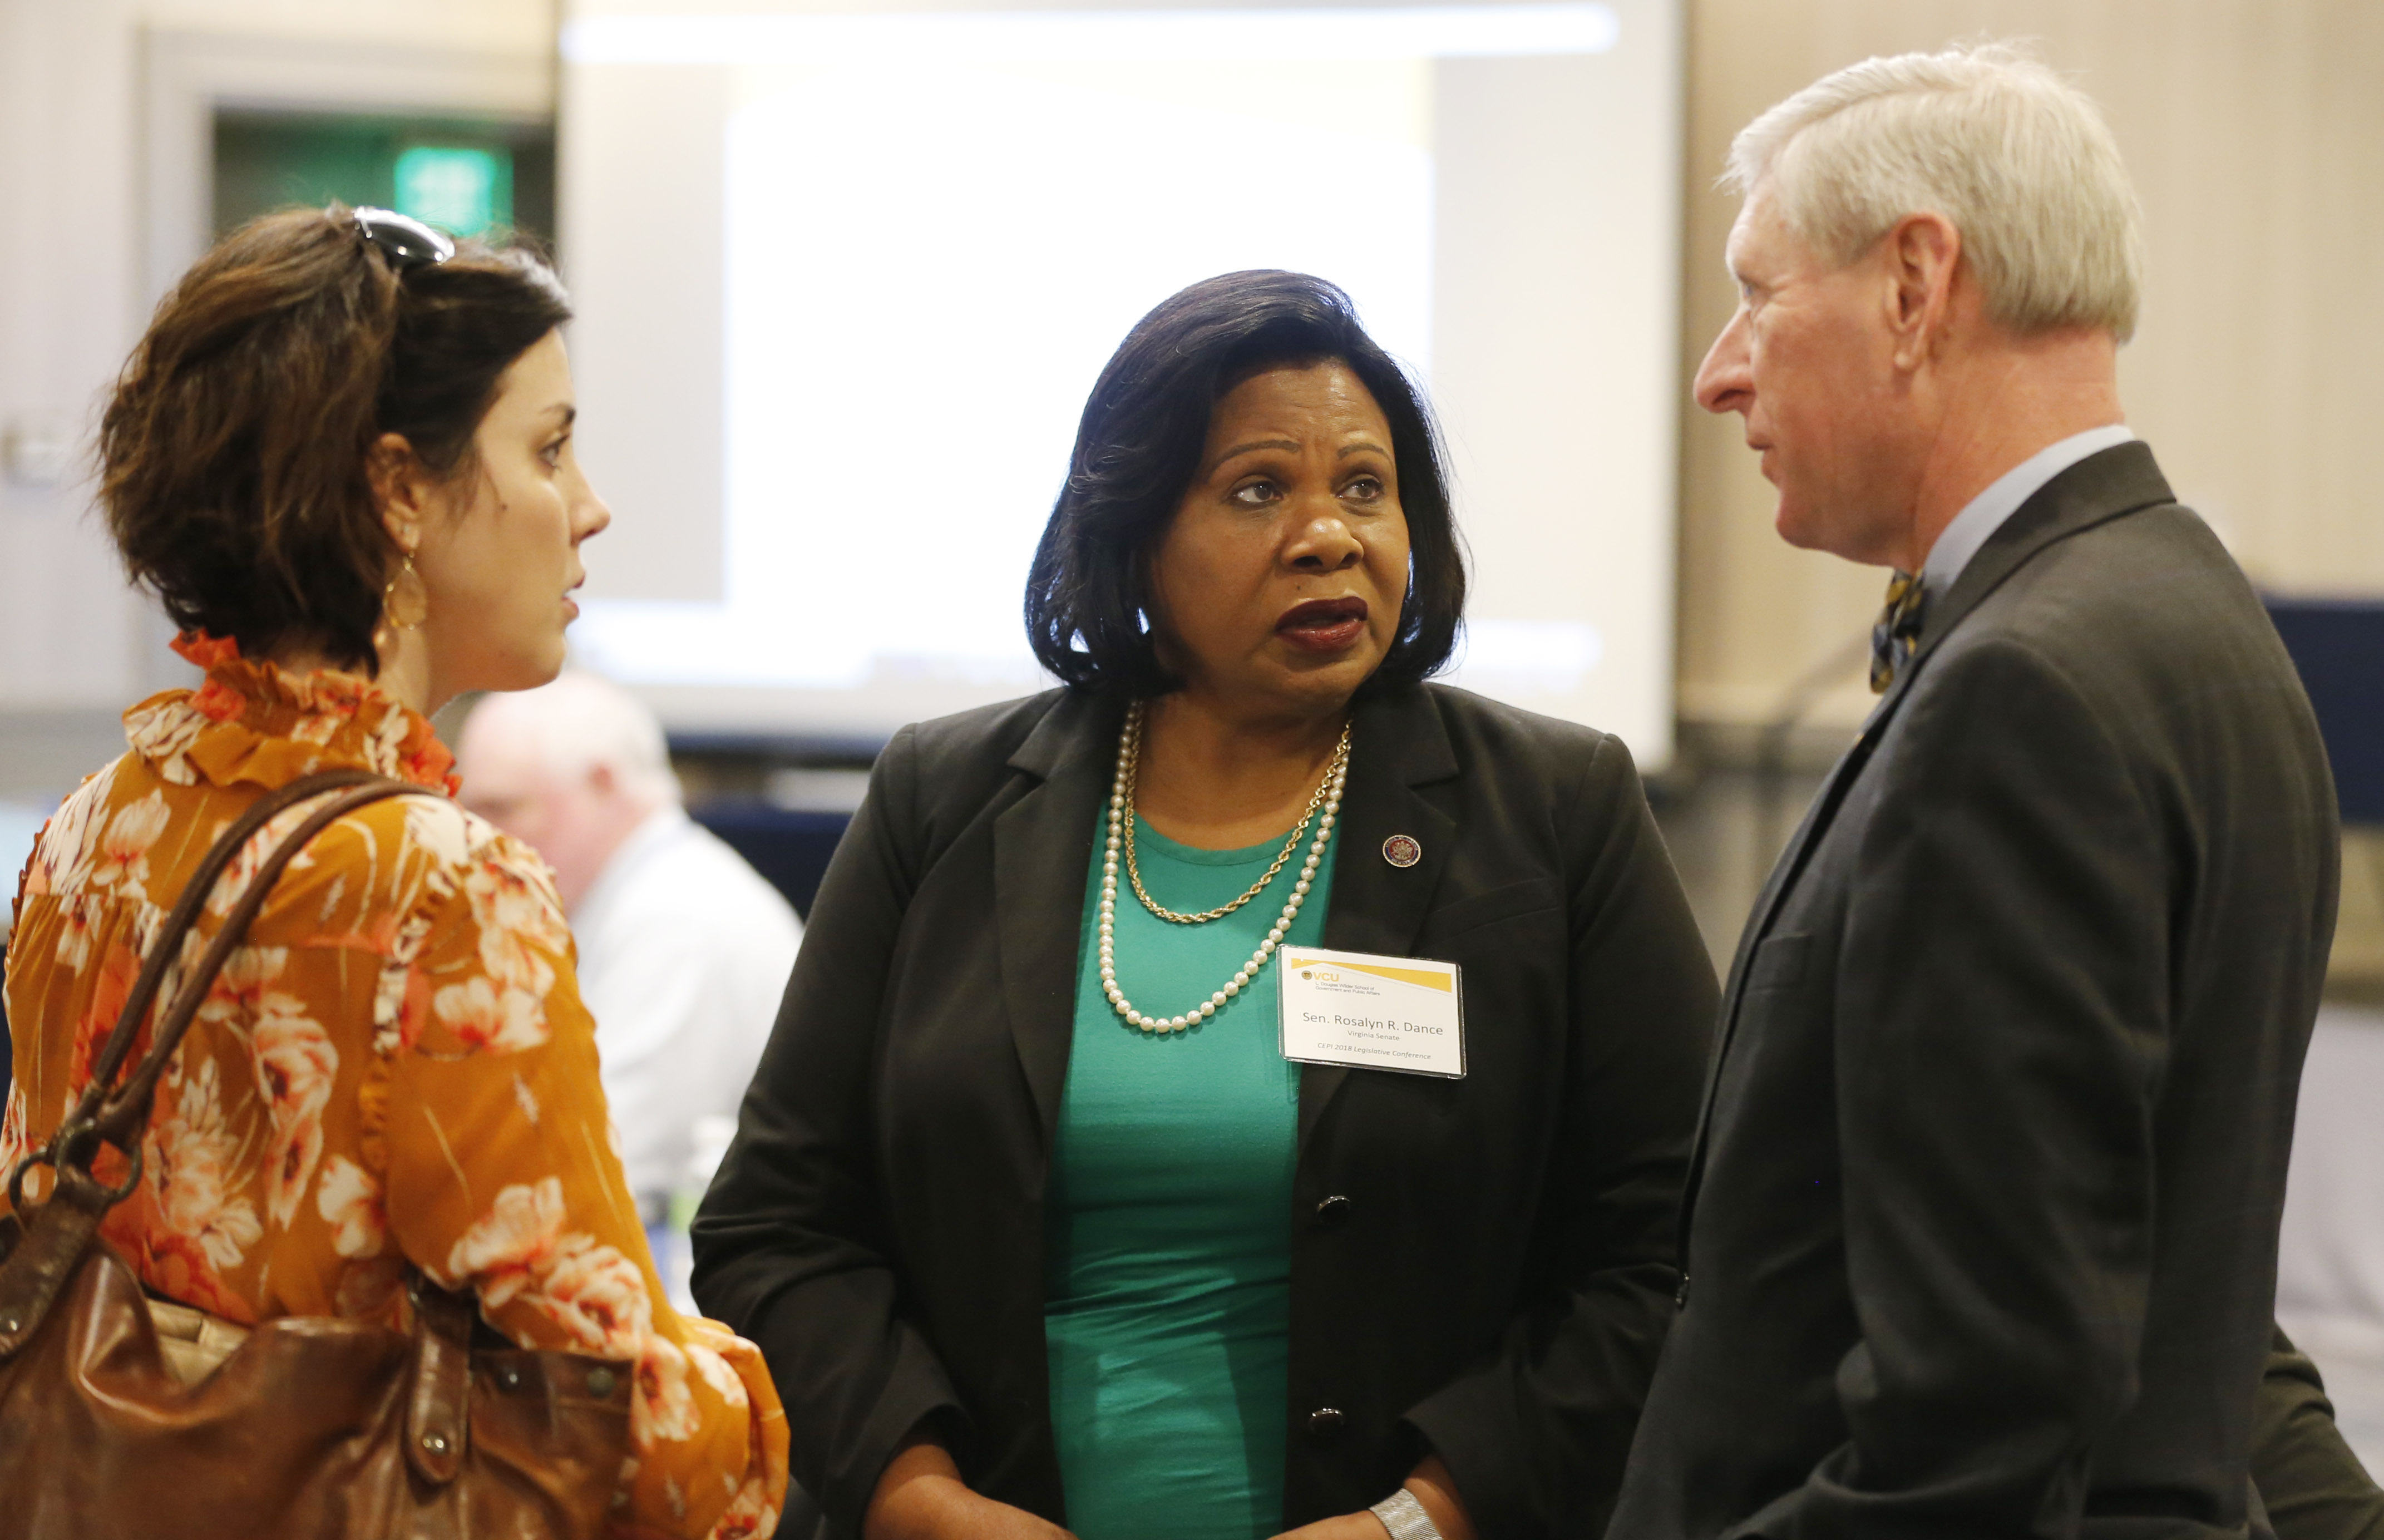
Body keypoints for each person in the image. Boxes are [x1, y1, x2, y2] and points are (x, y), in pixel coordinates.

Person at [691, 270, 1720, 1540]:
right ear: (1133, 536)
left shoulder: (1555, 814)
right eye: (1256, 490)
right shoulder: (943, 801)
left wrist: (1424, 1518)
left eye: (1364, 486)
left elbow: (1667, 1253)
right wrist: (915, 1494)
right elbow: (777, 1224)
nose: (1329, 535)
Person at [1607, 45, 2343, 1539]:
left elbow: (1982, 1421)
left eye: (1757, 290)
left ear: (1911, 284)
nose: (1717, 370)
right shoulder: (2180, 610)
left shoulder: (2025, 690)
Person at [0, 205, 785, 1540]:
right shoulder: (444, 888)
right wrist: (759, 1389)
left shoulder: (94, 823)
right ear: (396, 491)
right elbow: (624, 1428)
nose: (590, 508)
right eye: (547, 448)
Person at [456, 671, 802, 1256]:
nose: (479, 840)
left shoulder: (678, 920)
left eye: (503, 808)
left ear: (603, 784)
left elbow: (589, 1172)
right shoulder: (644, 897)